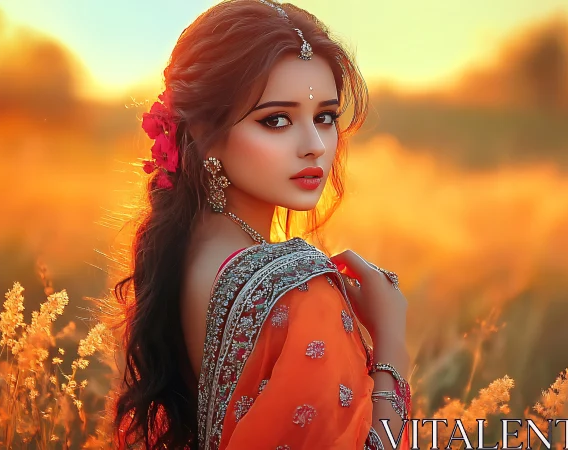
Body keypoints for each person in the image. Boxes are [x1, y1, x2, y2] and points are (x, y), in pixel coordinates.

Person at [110, 1, 410, 448]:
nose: (314, 146)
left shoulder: (183, 251)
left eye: (325, 116)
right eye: (276, 120)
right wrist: (391, 344)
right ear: (203, 134)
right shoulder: (298, 288)